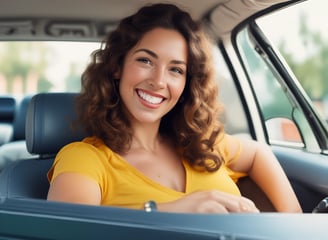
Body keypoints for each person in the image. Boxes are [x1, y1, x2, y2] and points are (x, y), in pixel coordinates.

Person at [47, 3, 302, 213]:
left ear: (186, 84)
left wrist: (295, 225)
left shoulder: (201, 145)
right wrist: (175, 210)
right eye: (145, 60)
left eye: (176, 70)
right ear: (117, 67)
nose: (158, 81)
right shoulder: (84, 158)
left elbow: (259, 153)